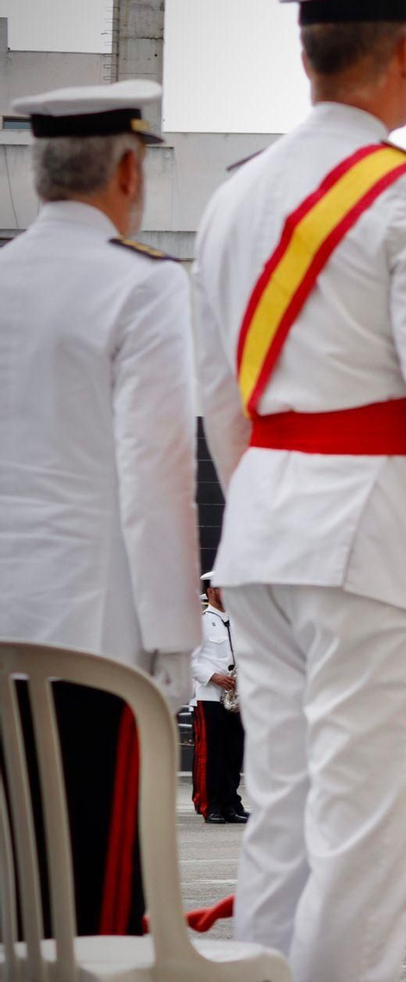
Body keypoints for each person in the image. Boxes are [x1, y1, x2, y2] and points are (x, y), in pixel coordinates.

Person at [191, 0, 406, 980]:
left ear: (309, 60)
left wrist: (267, 509)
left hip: (264, 535)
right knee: (364, 848)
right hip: (375, 542)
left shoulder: (232, 196)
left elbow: (219, 399)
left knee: (280, 826)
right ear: (404, 60)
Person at [0, 80, 199, 936]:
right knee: (96, 903)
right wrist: (173, 647)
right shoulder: (143, 286)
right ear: (127, 169)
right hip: (92, 641)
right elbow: (158, 474)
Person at [191, 575, 248, 824]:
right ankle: (210, 805)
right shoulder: (200, 622)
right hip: (209, 697)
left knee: (233, 753)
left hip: (234, 699)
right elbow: (189, 659)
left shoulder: (237, 622)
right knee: (211, 755)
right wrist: (213, 676)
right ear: (212, 591)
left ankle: (230, 804)